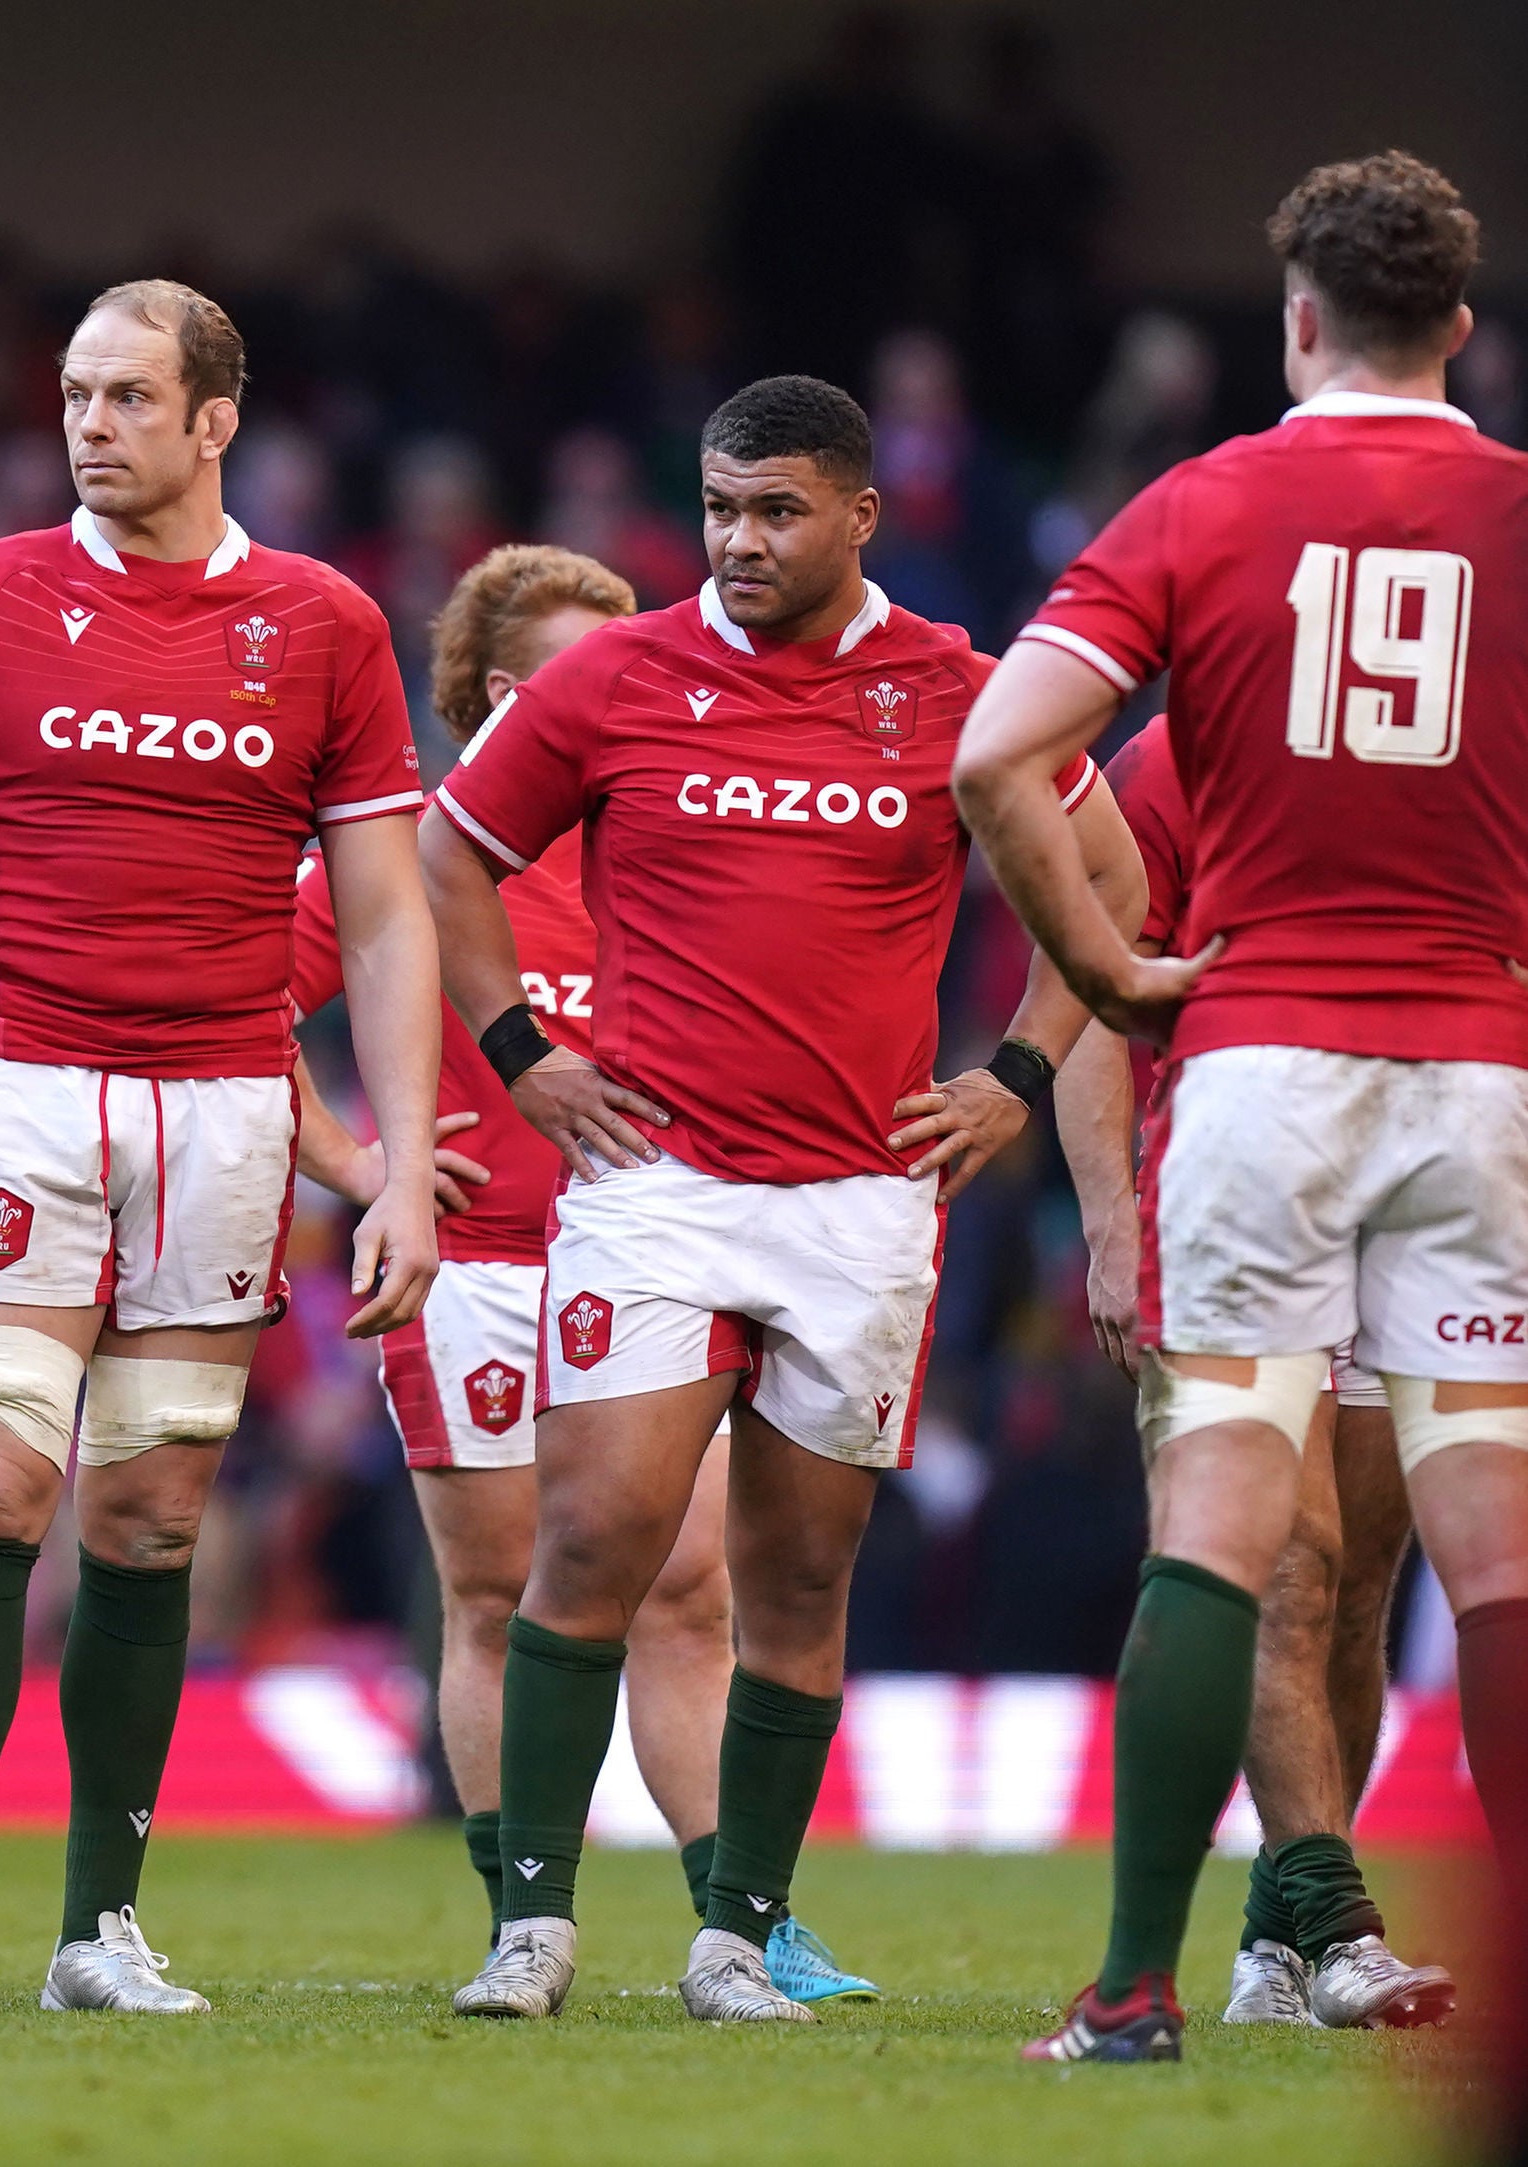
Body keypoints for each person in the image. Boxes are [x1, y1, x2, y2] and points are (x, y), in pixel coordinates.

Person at [424, 374, 1136, 2027]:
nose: (740, 541)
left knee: (799, 1582)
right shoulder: (614, 672)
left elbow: (1112, 887)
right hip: (654, 1186)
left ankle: (738, 1934)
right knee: (593, 1539)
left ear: (861, 514)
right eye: (722, 508)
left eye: (778, 511)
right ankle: (531, 1924)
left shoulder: (960, 688)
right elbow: (453, 855)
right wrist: (523, 1050)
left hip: (863, 1200)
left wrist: (1018, 1076)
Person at [958, 151, 1528, 2065]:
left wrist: (1113, 976)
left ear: (1296, 318)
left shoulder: (1201, 507)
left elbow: (1002, 756)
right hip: (1481, 1070)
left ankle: (1133, 1993)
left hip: (1271, 1068)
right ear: (1458, 326)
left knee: (1219, 1527)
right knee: (1497, 1552)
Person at [0, 279, 441, 2018]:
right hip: (20, 1088)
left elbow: (388, 923)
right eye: (76, 394)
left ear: (215, 420)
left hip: (230, 1117)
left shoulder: (322, 623)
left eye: (127, 397)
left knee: (156, 1518)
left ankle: (102, 1928)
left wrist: (396, 1160)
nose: (90, 424)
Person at [288, 544, 874, 2007]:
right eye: (589, 667)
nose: (637, 690)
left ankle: (743, 1918)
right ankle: (522, 1915)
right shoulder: (416, 850)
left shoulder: (671, 836)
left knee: (689, 1592)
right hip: (481, 1268)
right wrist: (371, 1169)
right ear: (501, 694)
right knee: (498, 1594)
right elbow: (240, 1008)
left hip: (660, 1255)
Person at [1054, 714, 1450, 2033]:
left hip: (1412, 1211)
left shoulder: (1459, 741)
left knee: (1354, 1599)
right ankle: (1341, 1926)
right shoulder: (1178, 758)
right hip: (1231, 1205)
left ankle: (1273, 1944)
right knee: (1290, 1568)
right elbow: (1090, 992)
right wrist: (1113, 1220)